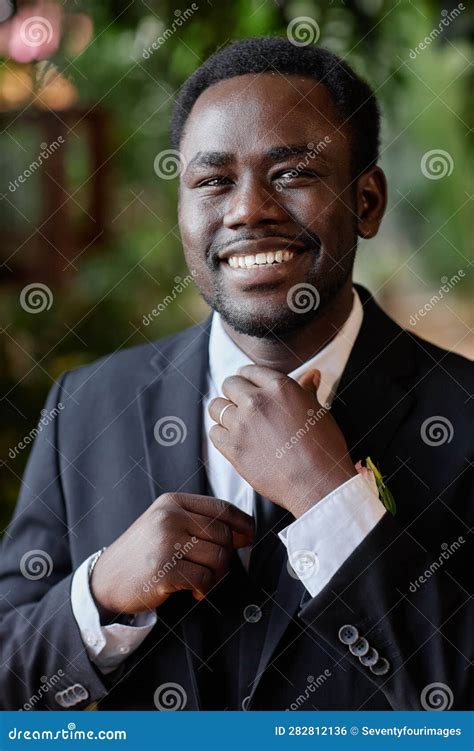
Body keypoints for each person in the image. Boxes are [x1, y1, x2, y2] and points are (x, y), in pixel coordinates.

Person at [1, 37, 472, 711]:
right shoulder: (86, 405)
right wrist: (99, 593)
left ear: (366, 201)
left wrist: (330, 500)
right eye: (214, 181)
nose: (248, 210)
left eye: (292, 174)